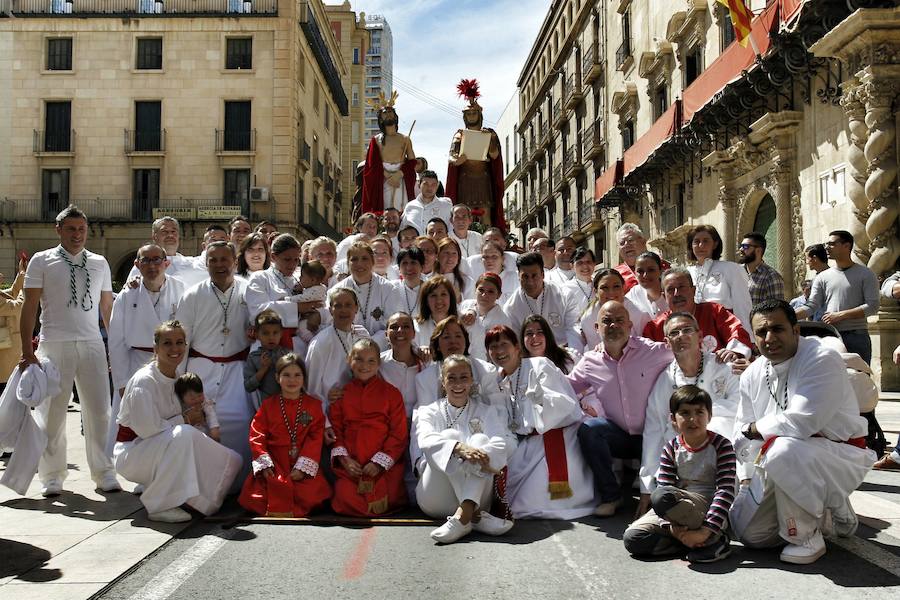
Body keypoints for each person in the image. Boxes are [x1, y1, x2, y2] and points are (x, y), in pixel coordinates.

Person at [733, 299, 875, 564]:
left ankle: (806, 536)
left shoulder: (821, 357)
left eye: (777, 329)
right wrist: (745, 479)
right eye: (761, 332)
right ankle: (828, 506)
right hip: (780, 456)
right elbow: (741, 432)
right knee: (751, 534)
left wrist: (753, 430)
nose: (769, 337)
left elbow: (802, 421)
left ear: (796, 331)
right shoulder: (752, 373)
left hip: (840, 455)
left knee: (783, 449)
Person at [21, 205, 120, 496]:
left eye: (81, 229)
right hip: (54, 343)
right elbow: (29, 307)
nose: (77, 235)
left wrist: (114, 347)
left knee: (100, 410)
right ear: (59, 230)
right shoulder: (42, 260)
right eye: (71, 229)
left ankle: (104, 472)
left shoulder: (100, 262)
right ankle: (51, 476)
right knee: (52, 414)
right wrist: (27, 350)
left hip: (92, 344)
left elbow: (106, 308)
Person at [114, 320, 242, 523]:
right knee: (184, 434)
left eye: (180, 342)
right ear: (155, 348)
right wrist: (185, 418)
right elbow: (148, 430)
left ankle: (203, 500)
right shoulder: (144, 382)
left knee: (232, 459)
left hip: (156, 445)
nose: (175, 349)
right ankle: (159, 504)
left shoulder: (178, 378)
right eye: (167, 343)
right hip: (133, 451)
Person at [568, 301, 672, 517]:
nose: (613, 325)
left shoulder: (652, 351)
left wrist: (725, 359)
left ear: (630, 325)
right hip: (619, 436)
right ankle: (611, 496)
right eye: (606, 321)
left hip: (654, 437)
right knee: (590, 430)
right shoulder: (590, 362)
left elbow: (685, 355)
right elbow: (566, 388)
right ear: (597, 328)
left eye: (619, 320)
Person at [487, 325, 595, 519]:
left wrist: (542, 399)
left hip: (556, 436)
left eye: (504, 344)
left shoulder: (539, 365)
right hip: (524, 443)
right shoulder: (497, 381)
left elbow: (565, 406)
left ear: (517, 347)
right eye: (493, 346)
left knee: (528, 502)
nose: (499, 351)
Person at [640, 312, 739, 514]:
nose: (681, 336)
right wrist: (646, 487)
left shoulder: (723, 367)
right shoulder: (665, 380)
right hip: (683, 460)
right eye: (674, 333)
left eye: (687, 330)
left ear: (699, 336)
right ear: (667, 343)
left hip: (723, 450)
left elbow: (742, 406)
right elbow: (653, 430)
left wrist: (700, 419)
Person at [623, 385, 736, 563]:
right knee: (633, 538)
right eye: (684, 413)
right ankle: (692, 542)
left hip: (705, 508)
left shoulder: (722, 446)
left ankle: (712, 537)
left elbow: (725, 491)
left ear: (710, 416)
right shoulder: (671, 447)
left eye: (699, 412)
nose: (693, 419)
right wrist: (672, 528)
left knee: (662, 497)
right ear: (673, 419)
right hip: (675, 506)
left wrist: (706, 529)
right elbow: (664, 486)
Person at [414, 354, 513, 543]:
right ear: (442, 382)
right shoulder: (428, 411)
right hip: (436, 499)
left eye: (463, 377)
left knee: (480, 439)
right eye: (451, 377)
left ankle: (463, 515)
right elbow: (425, 440)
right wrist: (458, 448)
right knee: (450, 438)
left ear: (472, 381)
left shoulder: (487, 411)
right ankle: (475, 517)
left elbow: (500, 445)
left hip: (480, 498)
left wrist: (473, 450)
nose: (457, 383)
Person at [174, 241, 253, 474]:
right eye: (213, 260)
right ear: (206, 264)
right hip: (201, 372)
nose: (219, 265)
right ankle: (203, 484)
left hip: (237, 371)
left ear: (235, 262)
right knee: (199, 425)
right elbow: (182, 342)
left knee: (241, 420)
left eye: (224, 259)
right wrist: (180, 385)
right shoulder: (192, 295)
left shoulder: (249, 290)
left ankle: (237, 484)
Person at [107, 243, 184, 456]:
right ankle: (136, 465)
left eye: (156, 260)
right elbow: (116, 341)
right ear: (137, 265)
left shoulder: (181, 289)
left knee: (166, 418)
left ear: (166, 263)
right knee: (136, 421)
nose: (152, 265)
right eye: (146, 260)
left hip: (171, 364)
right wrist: (121, 382)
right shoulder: (127, 295)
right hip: (135, 364)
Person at [238, 353, 332, 517]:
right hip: (275, 462)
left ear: (304, 378)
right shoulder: (268, 406)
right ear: (277, 377)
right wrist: (266, 464)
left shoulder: (314, 405)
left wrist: (303, 468)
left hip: (301, 460)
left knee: (311, 495)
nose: (292, 380)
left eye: (297, 375)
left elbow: (315, 438)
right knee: (256, 496)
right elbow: (257, 434)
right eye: (286, 375)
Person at [330, 339, 408, 516]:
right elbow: (336, 432)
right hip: (352, 468)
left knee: (392, 496)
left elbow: (398, 433)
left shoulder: (392, 393)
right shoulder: (341, 394)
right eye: (359, 359)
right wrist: (345, 461)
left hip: (384, 469)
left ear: (379, 364)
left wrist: (379, 463)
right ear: (350, 361)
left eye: (371, 360)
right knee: (344, 496)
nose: (364, 365)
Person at [796, 230, 879, 364]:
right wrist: (788, 316)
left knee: (859, 380)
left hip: (857, 336)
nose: (827, 247)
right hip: (830, 336)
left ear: (846, 246)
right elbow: (812, 306)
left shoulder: (866, 274)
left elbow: (873, 307)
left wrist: (841, 315)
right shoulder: (822, 277)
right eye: (826, 244)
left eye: (832, 244)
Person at [643, 267, 752, 362]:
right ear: (664, 296)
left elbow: (736, 331)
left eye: (681, 287)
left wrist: (734, 352)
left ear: (693, 290)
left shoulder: (714, 311)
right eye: (670, 290)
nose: (677, 294)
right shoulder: (654, 328)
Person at [246, 234, 324, 352]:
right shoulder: (260, 278)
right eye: (287, 259)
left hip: (300, 345)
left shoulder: (301, 279)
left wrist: (316, 314)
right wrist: (297, 307)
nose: (292, 264)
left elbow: (319, 302)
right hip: (269, 346)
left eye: (296, 259)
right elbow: (258, 311)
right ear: (273, 257)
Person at [446, 78, 506, 231]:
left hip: (483, 179)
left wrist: (490, 140)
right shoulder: (459, 135)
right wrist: (458, 160)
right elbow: (451, 157)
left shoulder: (490, 133)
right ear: (464, 116)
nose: (472, 115)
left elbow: (494, 155)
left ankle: (488, 240)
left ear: (479, 114)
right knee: (466, 214)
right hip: (465, 180)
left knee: (486, 213)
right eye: (469, 113)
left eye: (474, 113)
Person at [304, 287, 370, 423]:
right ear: (330, 310)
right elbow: (311, 390)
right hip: (332, 412)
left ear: (356, 308)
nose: (343, 310)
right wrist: (325, 424)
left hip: (362, 406)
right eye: (338, 306)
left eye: (348, 305)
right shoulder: (320, 343)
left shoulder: (362, 334)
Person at [414, 316, 504, 411]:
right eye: (446, 337)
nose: (453, 341)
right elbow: (426, 415)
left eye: (458, 336)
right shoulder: (424, 379)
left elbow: (497, 408)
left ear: (466, 341)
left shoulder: (486, 370)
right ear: (437, 345)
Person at [503, 252, 581, 349]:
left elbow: (574, 330)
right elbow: (516, 343)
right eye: (525, 276)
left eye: (534, 276)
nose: (530, 282)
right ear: (518, 276)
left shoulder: (564, 296)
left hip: (563, 352)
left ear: (543, 275)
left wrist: (572, 356)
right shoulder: (511, 308)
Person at [686, 225, 753, 334]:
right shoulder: (686, 273)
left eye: (706, 241)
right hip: (693, 333)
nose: (701, 245)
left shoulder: (732, 269)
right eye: (696, 241)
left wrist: (747, 338)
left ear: (715, 244)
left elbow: (743, 306)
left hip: (724, 332)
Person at [361, 93, 417, 213]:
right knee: (385, 206)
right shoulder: (375, 140)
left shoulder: (405, 139)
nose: (388, 114)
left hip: (400, 178)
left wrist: (399, 174)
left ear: (395, 116)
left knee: (401, 206)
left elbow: (412, 161)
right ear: (380, 118)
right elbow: (372, 164)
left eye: (391, 111)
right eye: (385, 113)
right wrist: (388, 176)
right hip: (383, 178)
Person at [334, 241, 393, 349]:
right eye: (354, 259)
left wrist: (369, 344)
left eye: (364, 259)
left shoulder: (388, 289)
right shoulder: (337, 291)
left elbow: (392, 324)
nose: (359, 264)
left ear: (372, 262)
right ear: (347, 263)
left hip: (380, 350)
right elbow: (333, 324)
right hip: (346, 349)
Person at [580, 268, 650, 352]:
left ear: (623, 288)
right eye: (604, 287)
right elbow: (595, 351)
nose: (611, 292)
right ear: (595, 291)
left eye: (616, 286)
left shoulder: (639, 313)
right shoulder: (588, 318)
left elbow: (647, 347)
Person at [127, 216, 206, 289]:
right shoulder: (145, 264)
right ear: (155, 237)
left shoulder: (193, 263)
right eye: (164, 232)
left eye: (173, 231)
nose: (170, 235)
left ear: (178, 235)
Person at [244, 310, 292, 410]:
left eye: (275, 333)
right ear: (257, 335)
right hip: (268, 409)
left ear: (281, 333)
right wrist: (263, 370)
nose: (271, 337)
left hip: (291, 406)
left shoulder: (288, 355)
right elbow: (248, 387)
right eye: (266, 333)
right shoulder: (253, 358)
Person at [459, 272, 512, 361]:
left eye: (490, 291)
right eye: (481, 290)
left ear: (499, 295)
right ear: (475, 290)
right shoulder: (465, 305)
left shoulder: (503, 322)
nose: (484, 295)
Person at [614, 223, 669, 293]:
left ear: (643, 241)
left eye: (630, 240)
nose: (626, 245)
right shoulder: (615, 275)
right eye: (622, 243)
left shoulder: (664, 267)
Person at [0, 254, 27, 393]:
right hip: (4, 351)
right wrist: (24, 291)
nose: (1, 275)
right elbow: (18, 305)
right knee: (5, 388)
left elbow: (13, 291)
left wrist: (21, 273)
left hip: (7, 348)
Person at [401, 170, 453, 236]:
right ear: (419, 184)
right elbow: (403, 229)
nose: (429, 187)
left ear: (437, 186)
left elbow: (451, 231)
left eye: (433, 184)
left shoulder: (446, 206)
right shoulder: (410, 206)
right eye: (426, 184)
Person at [738, 232, 784, 306]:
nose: (741, 249)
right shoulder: (736, 272)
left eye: (745, 246)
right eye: (741, 246)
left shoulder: (772, 277)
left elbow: (776, 311)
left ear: (758, 250)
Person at [414, 276, 459, 348]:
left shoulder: (462, 322)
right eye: (433, 295)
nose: (439, 300)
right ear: (426, 301)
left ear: (451, 298)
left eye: (443, 294)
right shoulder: (416, 326)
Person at [174, 372, 220, 442]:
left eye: (200, 395)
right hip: (186, 436)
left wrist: (214, 428)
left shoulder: (204, 402)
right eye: (192, 398)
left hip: (203, 433)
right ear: (182, 398)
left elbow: (210, 414)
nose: (197, 400)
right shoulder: (179, 406)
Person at [625, 251, 668, 321]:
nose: (645, 275)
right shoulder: (634, 293)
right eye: (640, 271)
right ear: (635, 274)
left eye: (651, 270)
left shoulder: (672, 291)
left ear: (660, 271)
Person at [387, 247, 426, 320]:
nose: (409, 268)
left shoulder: (430, 289)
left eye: (413, 262)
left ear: (422, 267)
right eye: (404, 263)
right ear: (399, 268)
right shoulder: (391, 288)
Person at [563, 247, 596, 317]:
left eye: (588, 262)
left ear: (594, 264)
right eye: (580, 263)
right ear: (572, 266)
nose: (585, 266)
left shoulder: (600, 284)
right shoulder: (565, 288)